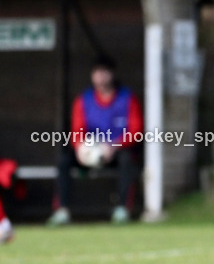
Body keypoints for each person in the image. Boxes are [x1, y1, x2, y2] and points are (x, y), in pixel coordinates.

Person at [47, 57, 142, 225]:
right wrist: (81, 149)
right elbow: (77, 131)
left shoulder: (127, 98)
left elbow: (136, 130)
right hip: (89, 153)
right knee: (64, 161)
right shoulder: (84, 100)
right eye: (97, 73)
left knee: (128, 160)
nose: (101, 77)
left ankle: (122, 209)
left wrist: (114, 146)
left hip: (115, 152)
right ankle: (62, 210)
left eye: (104, 73)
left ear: (112, 74)